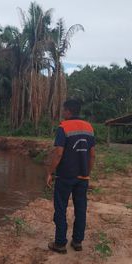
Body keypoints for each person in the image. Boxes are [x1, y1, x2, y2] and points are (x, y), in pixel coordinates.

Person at [46, 98, 95, 253]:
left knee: (60, 208)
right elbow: (92, 155)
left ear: (68, 111)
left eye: (64, 110)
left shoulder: (64, 127)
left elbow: (59, 153)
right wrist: (87, 172)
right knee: (80, 208)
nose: (63, 112)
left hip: (65, 176)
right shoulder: (89, 128)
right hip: (83, 177)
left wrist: (50, 172)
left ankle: (60, 243)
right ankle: (77, 242)